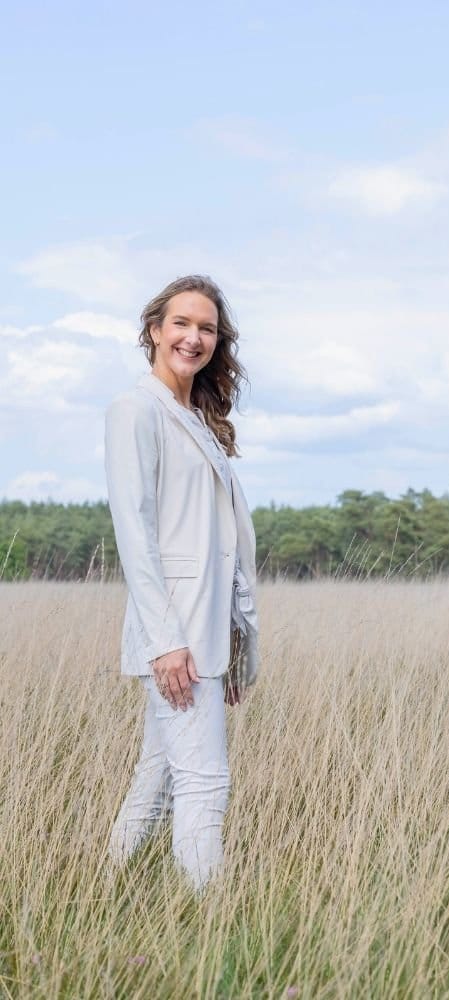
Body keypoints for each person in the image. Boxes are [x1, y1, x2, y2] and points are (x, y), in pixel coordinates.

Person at [104, 274, 259, 894]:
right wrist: (167, 641)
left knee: (161, 772)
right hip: (173, 632)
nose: (193, 337)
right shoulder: (135, 409)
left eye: (207, 329)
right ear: (153, 331)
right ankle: (207, 918)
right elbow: (134, 531)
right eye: (181, 324)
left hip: (202, 627)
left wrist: (231, 636)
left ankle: (106, 885)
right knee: (204, 778)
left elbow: (218, 544)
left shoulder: (195, 417)